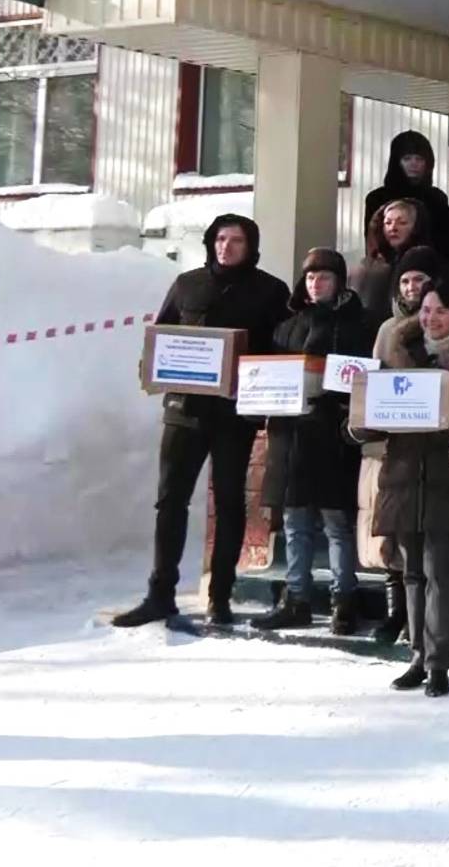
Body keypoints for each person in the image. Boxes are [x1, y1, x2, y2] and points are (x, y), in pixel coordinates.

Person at [111, 215, 292, 628]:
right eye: (221, 239)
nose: (227, 247)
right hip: (184, 411)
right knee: (170, 500)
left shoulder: (269, 290)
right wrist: (153, 369)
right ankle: (160, 594)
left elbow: (279, 347)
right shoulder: (187, 284)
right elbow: (163, 336)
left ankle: (220, 596)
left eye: (237, 240)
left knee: (229, 502)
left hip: (234, 414)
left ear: (251, 246)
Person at [363, 275, 449, 696]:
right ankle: (417, 655)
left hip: (445, 477)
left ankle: (438, 663)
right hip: (401, 475)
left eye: (441, 311)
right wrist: (362, 422)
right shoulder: (399, 352)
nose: (431, 318)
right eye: (427, 310)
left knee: (440, 573)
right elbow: (366, 411)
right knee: (410, 572)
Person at [256, 249, 379, 635]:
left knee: (335, 523)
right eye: (310, 278)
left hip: (331, 436)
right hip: (290, 437)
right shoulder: (287, 326)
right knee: (294, 522)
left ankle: (344, 600)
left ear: (339, 281)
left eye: (324, 277)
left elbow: (364, 381)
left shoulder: (358, 325)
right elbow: (267, 376)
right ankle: (297, 598)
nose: (316, 284)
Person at [364, 131, 449, 244]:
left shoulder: (437, 198)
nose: (413, 163)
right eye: (407, 158)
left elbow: (445, 241)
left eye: (419, 159)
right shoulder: (378, 199)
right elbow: (372, 242)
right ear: (396, 162)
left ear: (428, 163)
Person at [351, 197, 432, 315]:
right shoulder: (369, 266)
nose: (393, 228)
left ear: (416, 227)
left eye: (402, 223)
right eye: (388, 223)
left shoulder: (429, 263)